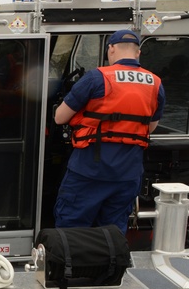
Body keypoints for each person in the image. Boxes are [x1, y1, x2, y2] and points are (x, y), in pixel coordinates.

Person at [53, 29, 165, 233]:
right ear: (138, 53)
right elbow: (150, 127)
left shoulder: (96, 78)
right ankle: (110, 265)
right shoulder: (155, 83)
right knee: (113, 231)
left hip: (88, 170)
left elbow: (60, 117)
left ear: (110, 49)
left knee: (72, 227)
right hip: (127, 173)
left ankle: (73, 265)